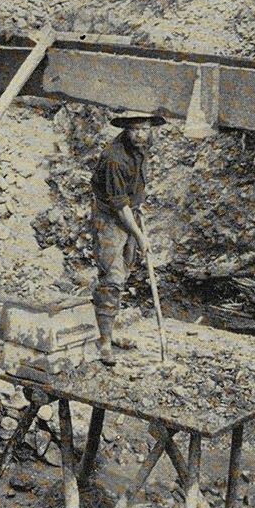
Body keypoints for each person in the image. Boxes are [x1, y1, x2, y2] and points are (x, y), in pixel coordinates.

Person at [89, 109, 164, 366]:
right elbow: (119, 206)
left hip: (130, 212)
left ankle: (109, 327)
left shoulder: (142, 147)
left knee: (126, 270)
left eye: (144, 128)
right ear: (125, 129)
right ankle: (105, 342)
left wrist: (139, 212)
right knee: (112, 277)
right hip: (109, 217)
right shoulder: (114, 158)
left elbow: (134, 193)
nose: (140, 134)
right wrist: (140, 235)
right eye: (135, 129)